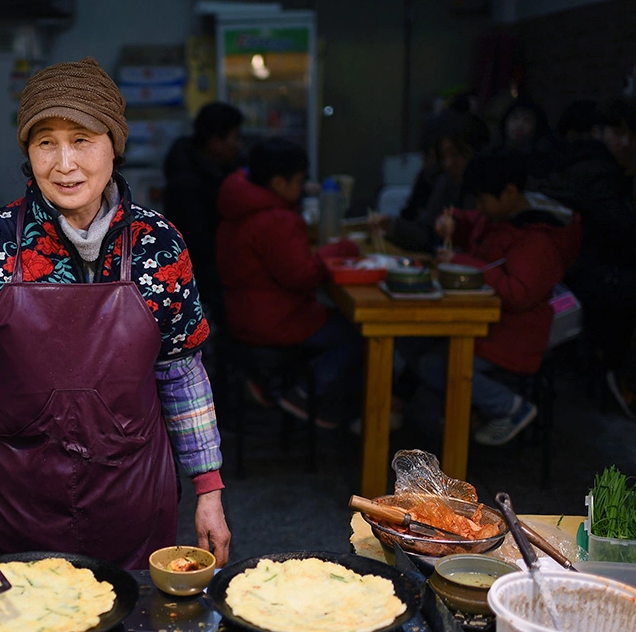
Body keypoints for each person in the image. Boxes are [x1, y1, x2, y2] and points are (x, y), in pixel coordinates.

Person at [0, 57, 231, 569]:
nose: (65, 163)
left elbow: (182, 373)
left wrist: (209, 489)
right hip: (14, 504)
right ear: (28, 152)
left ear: (113, 146)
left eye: (82, 139)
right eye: (45, 141)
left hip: (133, 499)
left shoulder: (157, 245)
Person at [398, 151, 581, 446]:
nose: (479, 208)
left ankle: (509, 407)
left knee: (438, 364)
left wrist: (463, 263)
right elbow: (473, 222)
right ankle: (455, 420)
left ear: (509, 192)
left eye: (483, 200)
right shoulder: (500, 216)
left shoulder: (538, 237)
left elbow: (518, 294)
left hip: (514, 335)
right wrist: (453, 222)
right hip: (484, 323)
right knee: (410, 340)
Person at [535, 99, 636, 420]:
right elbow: (624, 227)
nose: (627, 143)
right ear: (599, 132)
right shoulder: (598, 170)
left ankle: (618, 367)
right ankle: (629, 379)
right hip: (589, 274)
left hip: (575, 270)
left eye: (634, 137)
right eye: (619, 134)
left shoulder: (585, 162)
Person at [215, 138, 362, 427]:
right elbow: (302, 277)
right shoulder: (276, 219)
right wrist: (338, 250)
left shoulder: (238, 204)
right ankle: (302, 393)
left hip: (239, 313)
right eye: (298, 181)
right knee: (354, 333)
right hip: (273, 320)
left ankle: (271, 381)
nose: (302, 187)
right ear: (279, 183)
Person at [163, 102, 245, 320]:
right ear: (215, 142)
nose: (239, 145)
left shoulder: (221, 169)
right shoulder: (186, 184)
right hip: (202, 283)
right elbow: (200, 247)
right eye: (235, 138)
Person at [373, 114, 490, 252]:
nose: (448, 164)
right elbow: (426, 232)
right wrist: (391, 224)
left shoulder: (490, 188)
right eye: (443, 157)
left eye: (456, 155)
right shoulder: (446, 182)